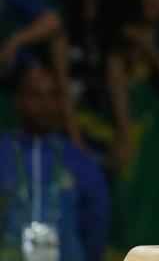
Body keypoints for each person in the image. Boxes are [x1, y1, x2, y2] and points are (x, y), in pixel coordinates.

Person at [0, 61, 110, 261]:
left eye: (52, 96)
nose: (45, 104)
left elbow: (96, 226)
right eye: (36, 95)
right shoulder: (3, 152)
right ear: (18, 100)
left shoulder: (80, 161)